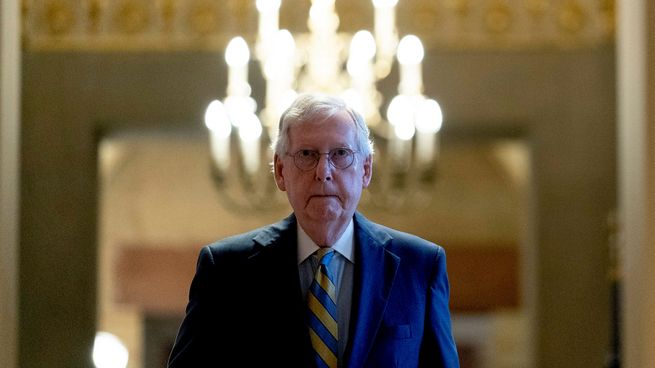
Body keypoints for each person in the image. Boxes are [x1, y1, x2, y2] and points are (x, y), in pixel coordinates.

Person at [167, 93, 460, 368]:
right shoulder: (225, 270)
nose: (324, 171)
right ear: (281, 171)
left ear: (366, 170)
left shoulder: (420, 266)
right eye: (307, 154)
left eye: (341, 153)